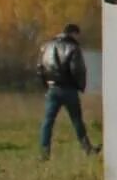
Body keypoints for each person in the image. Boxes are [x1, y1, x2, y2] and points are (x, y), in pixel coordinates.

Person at [37, 22, 95, 159]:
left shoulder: (47, 46)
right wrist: (80, 86)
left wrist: (46, 85)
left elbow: (40, 68)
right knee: (77, 120)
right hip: (68, 89)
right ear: (74, 33)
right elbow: (77, 69)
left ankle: (44, 153)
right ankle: (87, 148)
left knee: (48, 121)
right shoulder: (73, 48)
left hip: (52, 89)